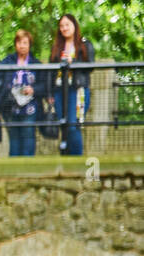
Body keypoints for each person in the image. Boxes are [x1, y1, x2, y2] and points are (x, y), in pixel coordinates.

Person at [48, 13, 94, 157]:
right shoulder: (57, 46)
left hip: (77, 90)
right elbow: (50, 71)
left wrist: (72, 63)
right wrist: (49, 94)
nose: (64, 28)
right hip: (59, 91)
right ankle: (65, 161)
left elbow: (90, 67)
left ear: (74, 25)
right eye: (61, 26)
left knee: (73, 126)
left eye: (67, 24)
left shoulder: (84, 44)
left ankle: (76, 162)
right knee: (64, 126)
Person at [0, 30, 44, 157]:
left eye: (25, 42)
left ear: (29, 45)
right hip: (11, 107)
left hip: (30, 108)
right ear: (15, 44)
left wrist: (33, 89)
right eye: (19, 42)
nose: (22, 45)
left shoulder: (36, 63)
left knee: (28, 136)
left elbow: (44, 86)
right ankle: (14, 169)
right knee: (14, 139)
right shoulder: (8, 60)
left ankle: (28, 168)